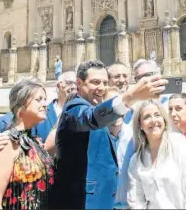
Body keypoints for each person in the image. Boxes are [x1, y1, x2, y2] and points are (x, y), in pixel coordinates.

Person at [51, 59, 168, 210]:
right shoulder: (74, 108)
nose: (101, 88)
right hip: (83, 203)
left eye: (105, 83)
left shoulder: (94, 105)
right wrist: (130, 97)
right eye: (95, 82)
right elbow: (91, 118)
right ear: (79, 83)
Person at [0, 78, 55, 209]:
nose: (45, 104)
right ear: (21, 105)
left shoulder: (34, 141)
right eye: (38, 100)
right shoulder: (6, 143)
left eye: (45, 99)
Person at [127, 99, 186, 209]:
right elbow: (136, 201)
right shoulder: (136, 161)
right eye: (147, 117)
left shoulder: (181, 145)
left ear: (164, 120)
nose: (153, 120)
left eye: (157, 115)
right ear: (140, 125)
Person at [104, 87, 134, 210]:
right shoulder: (94, 138)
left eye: (120, 104)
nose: (116, 110)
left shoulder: (135, 137)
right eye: (111, 105)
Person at [35, 71, 77, 142]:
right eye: (69, 83)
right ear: (58, 86)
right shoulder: (40, 113)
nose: (74, 86)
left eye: (77, 84)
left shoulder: (82, 113)